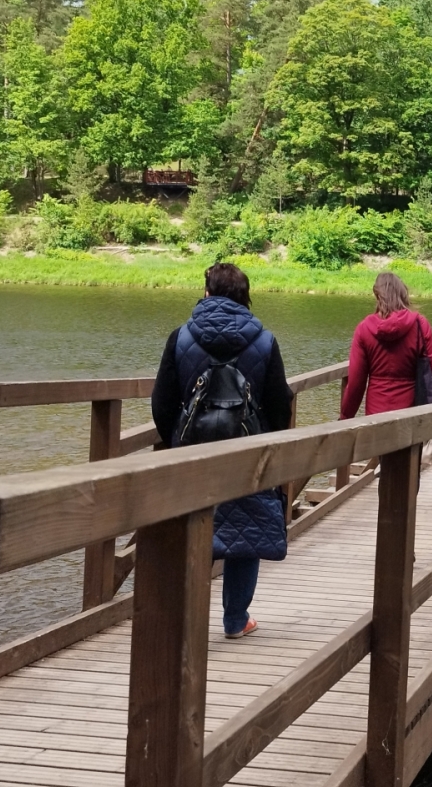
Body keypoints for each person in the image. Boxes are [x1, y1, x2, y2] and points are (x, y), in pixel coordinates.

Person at [151, 263, 293, 640]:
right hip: (247, 452)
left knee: (193, 530)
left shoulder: (181, 337)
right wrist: (270, 448)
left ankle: (186, 621)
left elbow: (161, 403)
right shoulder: (264, 340)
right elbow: (280, 404)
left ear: (207, 293)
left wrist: (176, 444)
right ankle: (235, 620)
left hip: (192, 455)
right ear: (245, 296)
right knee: (243, 530)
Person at [341, 272, 432, 420]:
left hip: (375, 413)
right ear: (403, 294)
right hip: (411, 413)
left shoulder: (364, 329)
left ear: (377, 295)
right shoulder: (420, 324)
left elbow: (356, 383)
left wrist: (345, 416)